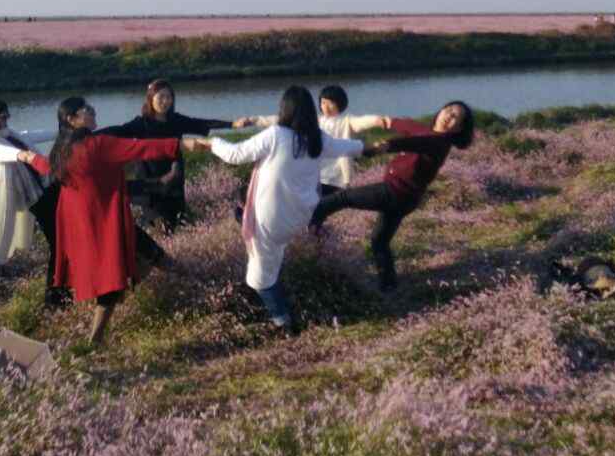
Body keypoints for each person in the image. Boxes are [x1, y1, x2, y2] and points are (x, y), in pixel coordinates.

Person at [184, 84, 366, 332]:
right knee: (267, 249)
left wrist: (211, 142)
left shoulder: (276, 135)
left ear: (285, 109)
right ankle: (281, 308)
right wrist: (373, 147)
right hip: (299, 216)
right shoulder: (317, 138)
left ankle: (285, 324)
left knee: (259, 279)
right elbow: (349, 147)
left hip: (270, 219)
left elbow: (236, 154)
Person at [35, 96, 181, 346]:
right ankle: (95, 340)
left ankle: (189, 282)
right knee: (125, 274)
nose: (93, 112)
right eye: (87, 110)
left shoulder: (61, 150)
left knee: (145, 260)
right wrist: (181, 145)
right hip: (107, 223)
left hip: (84, 225)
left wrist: (26, 157)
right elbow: (140, 148)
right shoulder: (97, 144)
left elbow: (46, 167)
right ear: (71, 119)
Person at [308, 101, 475, 291]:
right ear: (440, 111)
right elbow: (404, 125)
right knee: (379, 241)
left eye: (455, 117)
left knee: (337, 200)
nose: (448, 116)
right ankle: (389, 285)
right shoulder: (424, 130)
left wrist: (387, 145)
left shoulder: (439, 142)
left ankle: (310, 243)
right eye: (448, 110)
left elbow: (415, 142)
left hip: (394, 193)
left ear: (459, 128)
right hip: (405, 199)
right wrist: (386, 122)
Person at [100, 79, 242, 254]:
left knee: (175, 222)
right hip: (150, 181)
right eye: (161, 97)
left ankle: (175, 260)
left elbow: (201, 123)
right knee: (158, 224)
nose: (166, 101)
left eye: (169, 97)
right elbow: (118, 131)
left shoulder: (176, 120)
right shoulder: (141, 123)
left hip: (174, 178)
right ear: (150, 99)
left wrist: (232, 124)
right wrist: (86, 136)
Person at [0, 99, 65, 305]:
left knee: (62, 241)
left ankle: (59, 293)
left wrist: (60, 133)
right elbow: (1, 153)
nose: (6, 120)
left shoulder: (7, 134)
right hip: (37, 199)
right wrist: (24, 155)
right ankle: (55, 297)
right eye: (3, 117)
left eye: (7, 116)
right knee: (58, 244)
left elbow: (29, 136)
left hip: (48, 187)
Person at [236, 84, 390, 193]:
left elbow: (362, 122)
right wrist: (253, 119)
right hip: (314, 175)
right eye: (323, 103)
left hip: (337, 179)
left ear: (340, 105)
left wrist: (377, 120)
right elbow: (277, 119)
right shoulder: (314, 120)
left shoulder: (346, 122)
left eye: (331, 103)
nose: (326, 107)